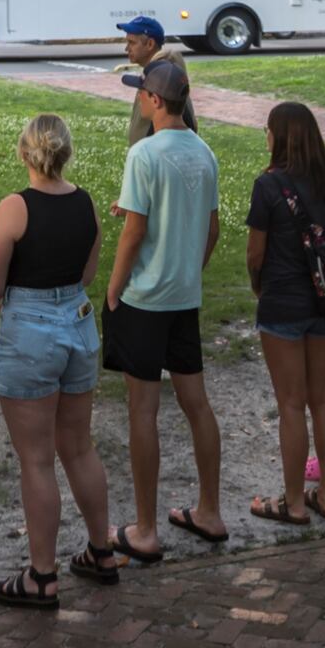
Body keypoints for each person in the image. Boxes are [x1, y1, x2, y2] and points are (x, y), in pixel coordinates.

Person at [0, 114, 129, 607]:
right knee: (79, 447)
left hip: (29, 330)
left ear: (24, 153)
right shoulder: (86, 202)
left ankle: (41, 576)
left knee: (37, 459)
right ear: (66, 153)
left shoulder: (13, 208)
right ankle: (101, 551)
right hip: (78, 322)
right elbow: (87, 272)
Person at [104, 57, 228, 558]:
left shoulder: (145, 154)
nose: (137, 97)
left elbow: (134, 232)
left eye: (140, 92)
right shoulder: (204, 152)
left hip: (144, 299)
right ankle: (210, 512)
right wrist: (188, 269)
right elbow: (211, 227)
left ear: (154, 99)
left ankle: (146, 529)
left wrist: (113, 290)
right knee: (197, 404)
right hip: (183, 298)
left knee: (143, 411)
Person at [244, 101, 325, 522]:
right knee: (323, 397)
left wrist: (258, 285)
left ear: (279, 137)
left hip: (282, 303)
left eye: (269, 130)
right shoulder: (322, 181)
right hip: (323, 302)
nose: (266, 136)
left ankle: (293, 502)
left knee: (291, 405)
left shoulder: (267, 185)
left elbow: (256, 253)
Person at [113, 17, 167, 146]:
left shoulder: (162, 81)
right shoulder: (152, 74)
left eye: (132, 43)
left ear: (150, 44)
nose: (127, 49)